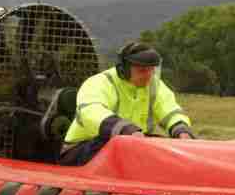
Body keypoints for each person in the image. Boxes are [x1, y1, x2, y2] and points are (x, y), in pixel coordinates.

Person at [59, 42, 195, 166]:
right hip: (82, 148)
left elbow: (169, 110)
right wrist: (127, 130)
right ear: (123, 69)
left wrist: (181, 131)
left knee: (164, 149)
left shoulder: (154, 85)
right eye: (142, 70)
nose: (148, 75)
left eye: (152, 70)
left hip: (133, 143)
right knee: (120, 148)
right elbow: (92, 112)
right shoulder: (99, 83)